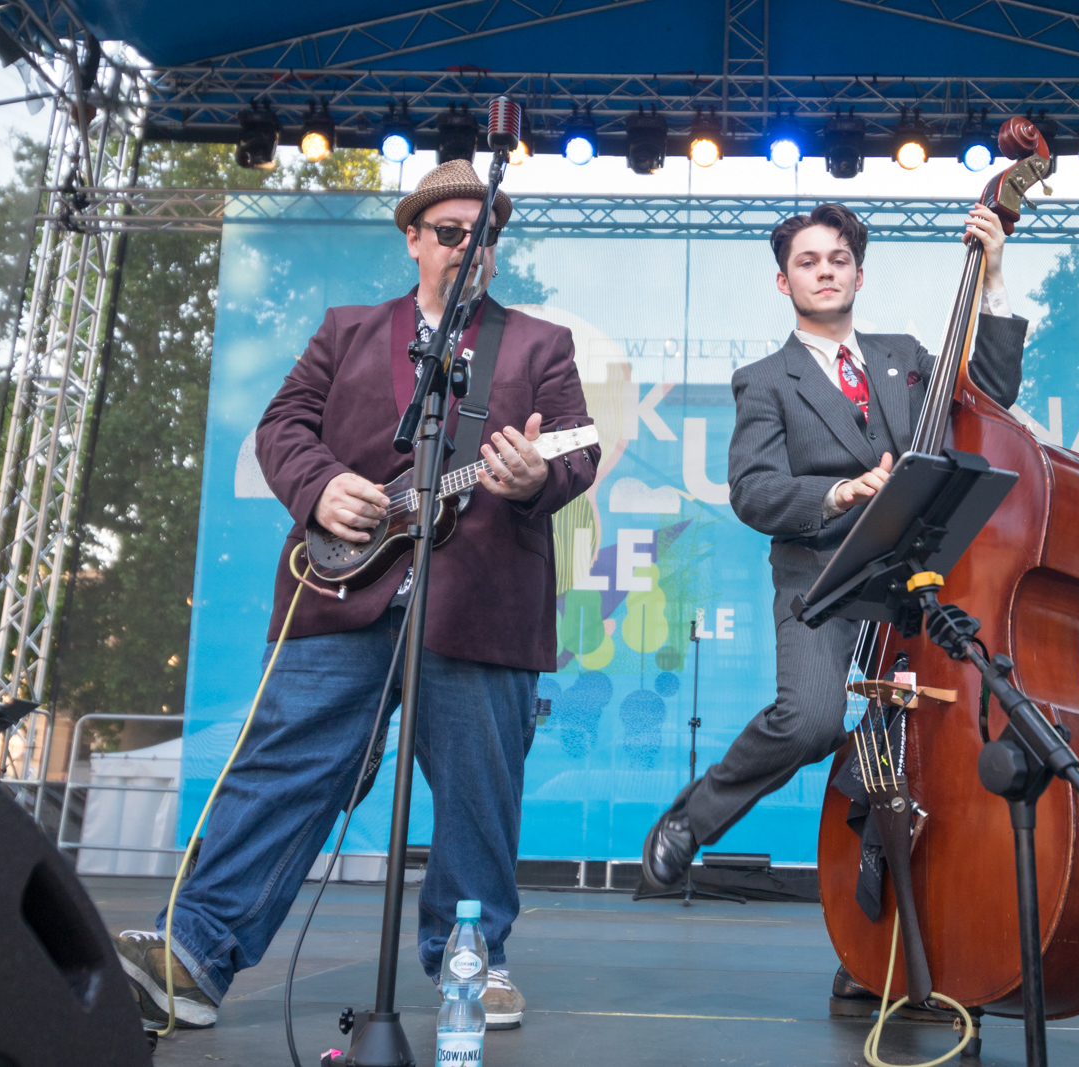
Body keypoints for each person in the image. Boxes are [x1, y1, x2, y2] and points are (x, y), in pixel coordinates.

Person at [114, 159, 600, 1032]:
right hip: (338, 591)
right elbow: (282, 427)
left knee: (480, 794)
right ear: (413, 238)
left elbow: (576, 450)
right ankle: (193, 953)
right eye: (450, 232)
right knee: (280, 768)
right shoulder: (346, 330)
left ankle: (472, 962)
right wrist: (322, 485)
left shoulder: (537, 344)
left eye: (483, 234)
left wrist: (534, 476)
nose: (467, 247)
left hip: (484, 603)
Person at [640, 200, 1025, 1001]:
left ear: (857, 270)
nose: (825, 269)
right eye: (808, 261)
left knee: (931, 758)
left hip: (920, 574)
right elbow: (753, 491)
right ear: (784, 282)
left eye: (838, 258)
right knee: (815, 720)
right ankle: (694, 817)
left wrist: (990, 280)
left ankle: (896, 948)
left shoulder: (908, 355)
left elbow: (991, 391)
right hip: (825, 574)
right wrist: (845, 491)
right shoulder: (763, 380)